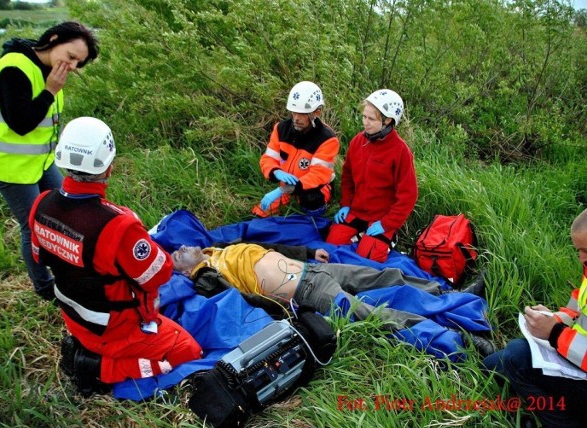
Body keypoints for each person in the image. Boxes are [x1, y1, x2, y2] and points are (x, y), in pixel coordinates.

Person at [28, 117, 202, 390]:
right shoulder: (119, 226)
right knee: (187, 350)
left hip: (74, 317)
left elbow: (40, 257)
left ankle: (88, 350)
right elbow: (158, 275)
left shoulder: (41, 204)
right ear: (109, 167)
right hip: (116, 329)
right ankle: (98, 368)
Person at [170, 241, 492, 355]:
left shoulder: (223, 247)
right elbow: (236, 302)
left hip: (312, 269)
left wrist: (309, 252)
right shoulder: (207, 276)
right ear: (185, 272)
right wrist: (197, 271)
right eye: (176, 255)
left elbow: (271, 248)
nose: (179, 249)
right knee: (375, 316)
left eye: (180, 247)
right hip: (305, 291)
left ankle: (453, 296)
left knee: (384, 276)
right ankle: (455, 343)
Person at [0, 22, 100, 300]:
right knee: (32, 226)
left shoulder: (49, 69)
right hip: (8, 165)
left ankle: (70, 266)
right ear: (53, 39)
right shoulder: (14, 68)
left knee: (65, 207)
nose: (72, 66)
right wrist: (50, 90)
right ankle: (45, 288)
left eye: (78, 62)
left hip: (39, 161)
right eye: (70, 55)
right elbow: (20, 123)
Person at [482, 208, 587, 428]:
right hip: (574, 361)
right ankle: (531, 408)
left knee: (514, 357)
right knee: (491, 367)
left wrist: (554, 333)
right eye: (579, 250)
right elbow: (578, 308)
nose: (581, 259)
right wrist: (554, 317)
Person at [326, 89, 417, 263]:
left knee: (369, 259)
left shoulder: (400, 151)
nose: (365, 123)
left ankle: (388, 239)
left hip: (381, 217)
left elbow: (408, 195)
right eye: (364, 117)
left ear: (388, 121)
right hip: (356, 211)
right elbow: (347, 177)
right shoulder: (357, 141)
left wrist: (387, 224)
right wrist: (345, 204)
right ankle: (360, 235)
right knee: (331, 246)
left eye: (371, 119)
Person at [252, 81, 340, 217]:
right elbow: (268, 158)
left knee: (310, 201)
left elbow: (318, 175)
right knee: (258, 214)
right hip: (287, 187)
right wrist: (275, 172)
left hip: (314, 188)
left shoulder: (327, 138)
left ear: (317, 112)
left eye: (303, 114)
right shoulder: (281, 129)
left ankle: (313, 216)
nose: (296, 118)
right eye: (294, 112)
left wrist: (282, 190)